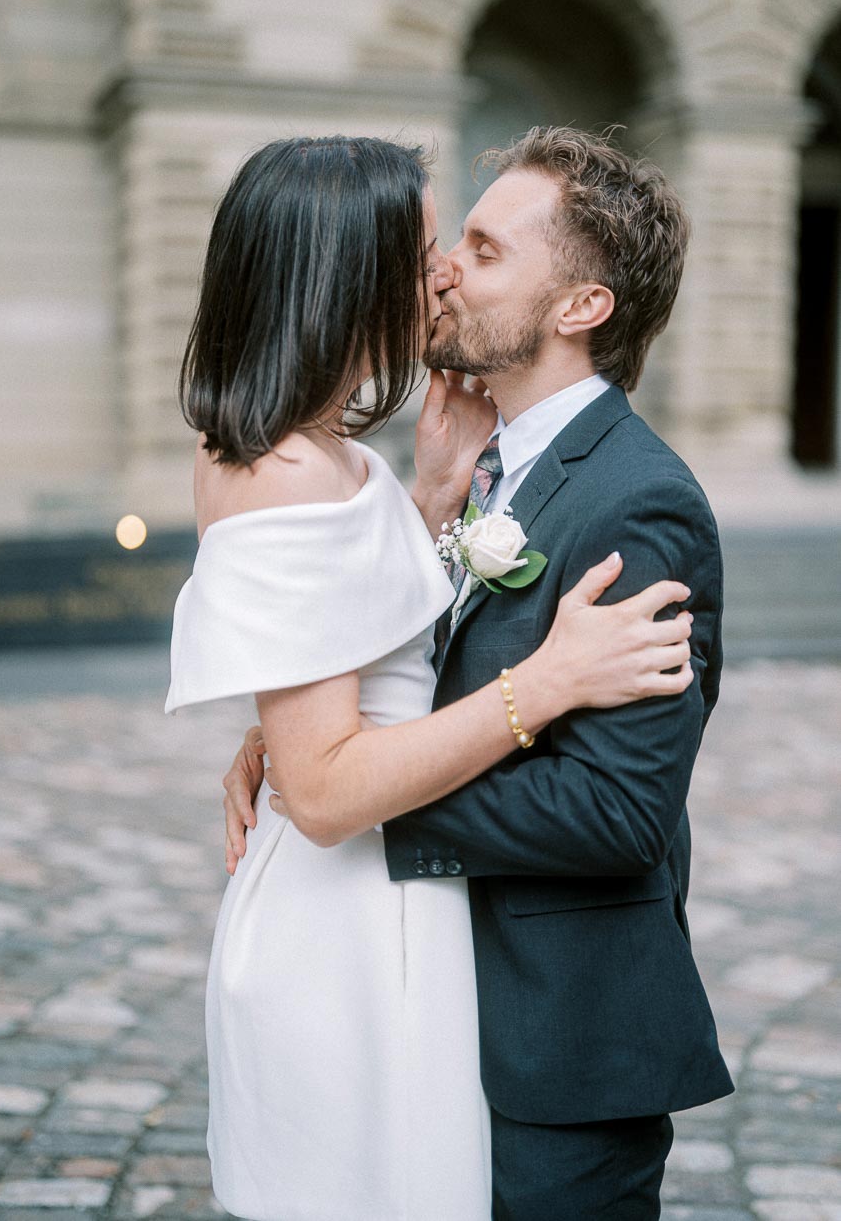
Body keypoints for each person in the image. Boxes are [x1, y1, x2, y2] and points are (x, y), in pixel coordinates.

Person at [167, 134, 698, 1221]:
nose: (444, 270)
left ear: (579, 305)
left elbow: (611, 804)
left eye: (472, 249)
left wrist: (430, 504)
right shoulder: (290, 467)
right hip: (349, 931)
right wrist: (537, 688)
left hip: (397, 912)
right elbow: (325, 793)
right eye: (424, 252)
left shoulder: (329, 450)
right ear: (344, 273)